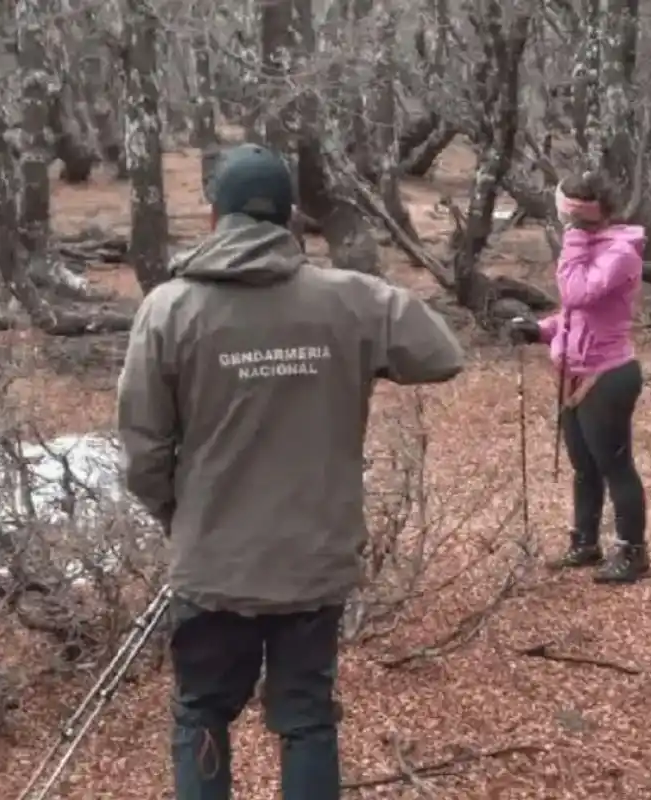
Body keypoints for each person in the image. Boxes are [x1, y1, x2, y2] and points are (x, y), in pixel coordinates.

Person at [115, 143, 465, 800]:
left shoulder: (168, 308)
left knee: (202, 712)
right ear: (290, 218)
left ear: (215, 216)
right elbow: (442, 353)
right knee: (306, 719)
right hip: (313, 560)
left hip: (215, 562)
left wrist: (180, 518)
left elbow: (142, 454)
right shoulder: (352, 300)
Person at [510, 171, 650, 584]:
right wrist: (539, 330)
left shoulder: (620, 252)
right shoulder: (590, 246)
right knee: (584, 466)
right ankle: (585, 542)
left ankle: (633, 552)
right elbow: (576, 314)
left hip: (609, 375)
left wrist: (572, 237)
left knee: (616, 466)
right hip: (575, 371)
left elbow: (576, 293)